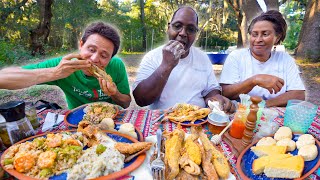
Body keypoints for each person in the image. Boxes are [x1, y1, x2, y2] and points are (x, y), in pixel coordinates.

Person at [0, 22, 131, 109]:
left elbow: (125, 103)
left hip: (110, 121)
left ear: (110, 59)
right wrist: (55, 73)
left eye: (104, 56)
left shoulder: (116, 66)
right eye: (91, 49)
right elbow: (3, 78)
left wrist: (115, 94)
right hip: (76, 123)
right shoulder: (64, 65)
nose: (95, 58)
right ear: (81, 45)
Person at [133, 7, 235, 112]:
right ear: (169, 28)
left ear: (196, 34)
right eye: (177, 26)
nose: (183, 33)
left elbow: (211, 89)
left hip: (196, 119)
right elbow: (141, 100)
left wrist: (215, 98)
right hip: (164, 120)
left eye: (190, 29)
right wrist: (166, 65)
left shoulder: (202, 58)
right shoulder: (152, 57)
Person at [219, 10, 305, 107]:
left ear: (277, 37)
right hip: (241, 114)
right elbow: (225, 92)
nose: (258, 39)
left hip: (272, 116)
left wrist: (262, 106)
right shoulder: (237, 57)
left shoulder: (285, 59)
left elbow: (299, 94)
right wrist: (254, 80)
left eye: (265, 34)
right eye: (254, 34)